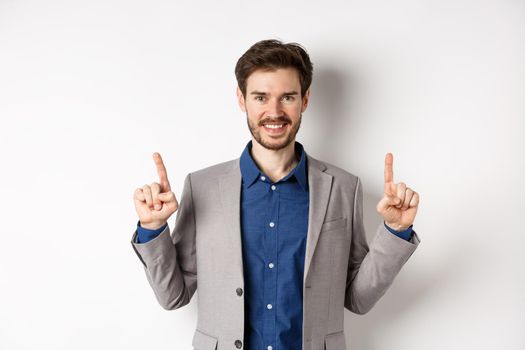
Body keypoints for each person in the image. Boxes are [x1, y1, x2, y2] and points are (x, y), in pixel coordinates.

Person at [130, 39, 420, 350]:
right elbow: (173, 296)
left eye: (287, 97)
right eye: (261, 97)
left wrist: (396, 231)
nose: (274, 111)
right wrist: (152, 229)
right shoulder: (202, 187)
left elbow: (358, 299)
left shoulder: (343, 188)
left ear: (305, 100)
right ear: (242, 100)